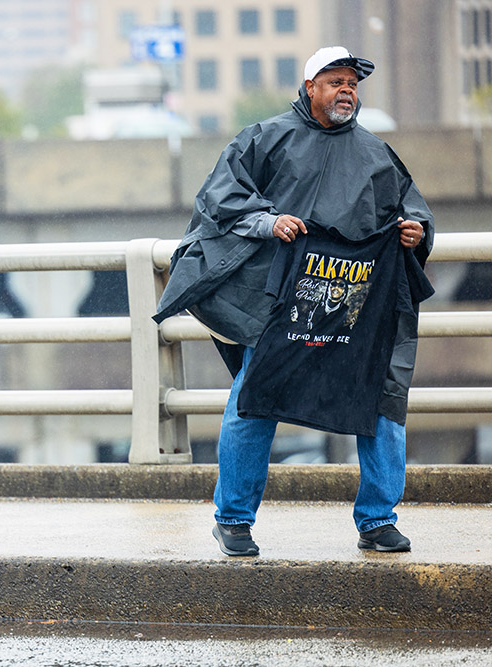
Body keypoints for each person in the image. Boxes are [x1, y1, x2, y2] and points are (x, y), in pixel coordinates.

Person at [152, 46, 434, 557]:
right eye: (335, 82)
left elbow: (411, 209)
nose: (346, 90)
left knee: (381, 401)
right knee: (254, 400)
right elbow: (219, 201)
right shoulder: (265, 138)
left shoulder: (376, 153)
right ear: (310, 88)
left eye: (352, 83)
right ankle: (233, 519)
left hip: (355, 304)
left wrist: (417, 232)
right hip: (284, 304)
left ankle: (377, 519)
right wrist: (269, 222)